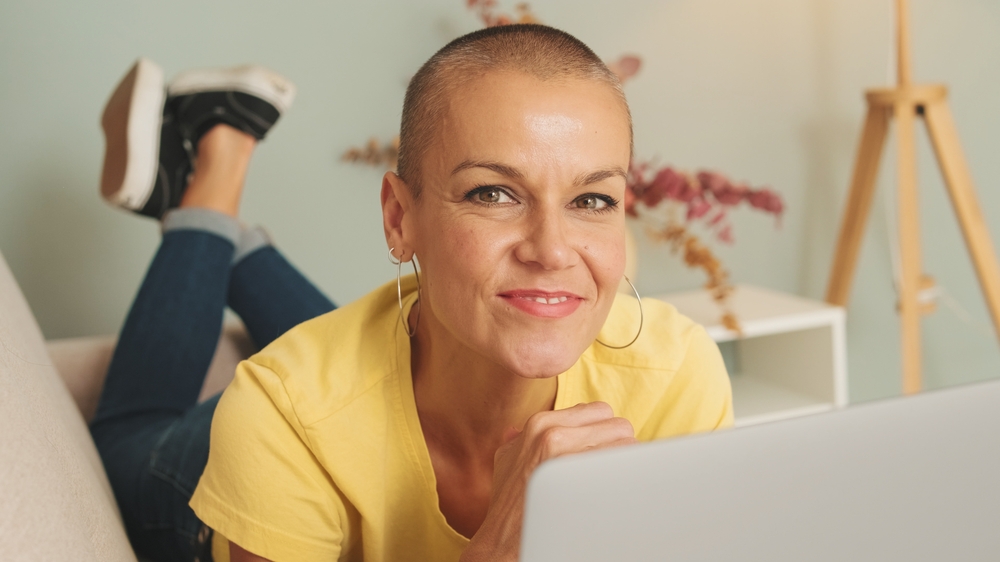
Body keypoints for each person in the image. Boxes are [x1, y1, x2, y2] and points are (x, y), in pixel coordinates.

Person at [92, 24, 733, 562]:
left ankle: (213, 214)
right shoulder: (278, 418)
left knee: (386, 344)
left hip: (401, 358)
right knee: (125, 440)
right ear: (400, 219)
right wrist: (500, 545)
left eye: (592, 199)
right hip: (219, 478)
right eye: (494, 194)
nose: (553, 250)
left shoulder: (679, 373)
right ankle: (216, 172)